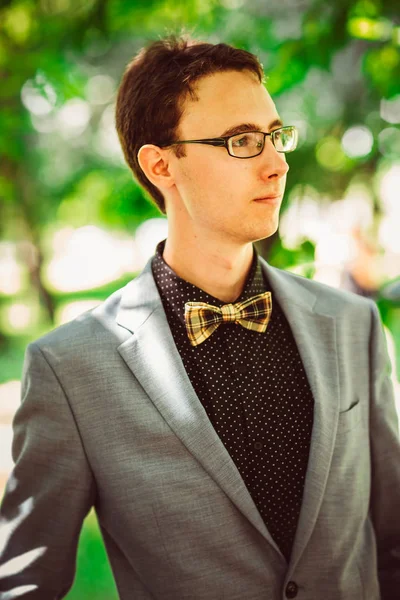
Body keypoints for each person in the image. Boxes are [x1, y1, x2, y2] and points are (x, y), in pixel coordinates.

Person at [0, 35, 399, 600]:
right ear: (161, 165)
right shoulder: (70, 370)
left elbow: (393, 541)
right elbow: (22, 584)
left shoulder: (354, 326)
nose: (277, 163)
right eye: (241, 141)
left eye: (274, 136)